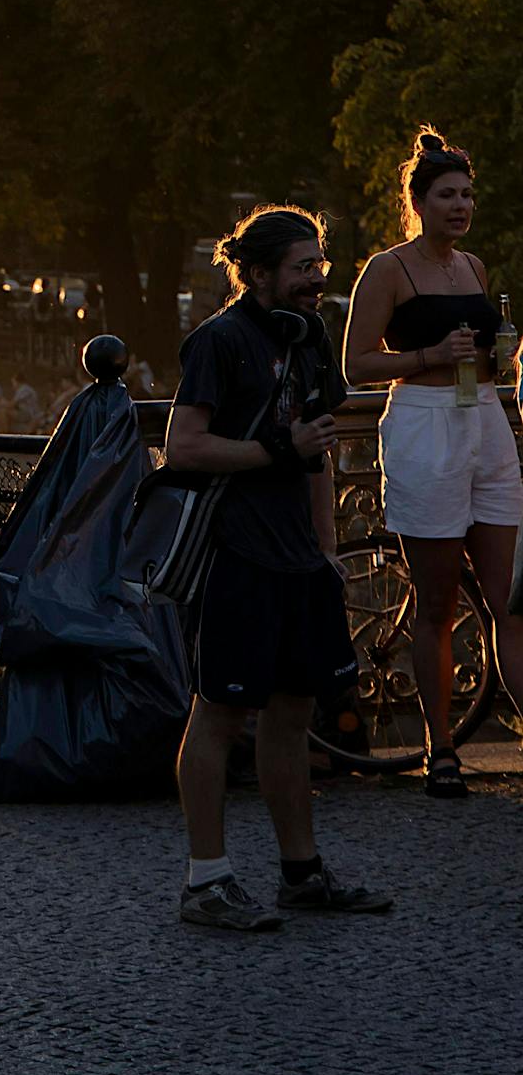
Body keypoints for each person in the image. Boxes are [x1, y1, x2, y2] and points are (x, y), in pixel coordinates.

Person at [166, 206, 391, 931]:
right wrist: (275, 451)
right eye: (303, 268)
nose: (317, 280)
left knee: (294, 712)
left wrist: (326, 550)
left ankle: (302, 873)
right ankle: (207, 882)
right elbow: (186, 448)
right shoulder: (218, 341)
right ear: (258, 274)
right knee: (221, 712)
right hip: (237, 553)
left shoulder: (309, 337)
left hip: (298, 558)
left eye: (320, 266)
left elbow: (318, 446)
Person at [342, 130, 523, 796]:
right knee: (439, 602)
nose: (461, 205)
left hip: (484, 423)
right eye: (447, 194)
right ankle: (439, 748)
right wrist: (427, 357)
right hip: (423, 427)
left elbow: (482, 353)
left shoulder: (473, 268)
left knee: (512, 597)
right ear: (416, 202)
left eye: (468, 194)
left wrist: (503, 359)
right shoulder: (388, 269)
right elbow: (356, 365)